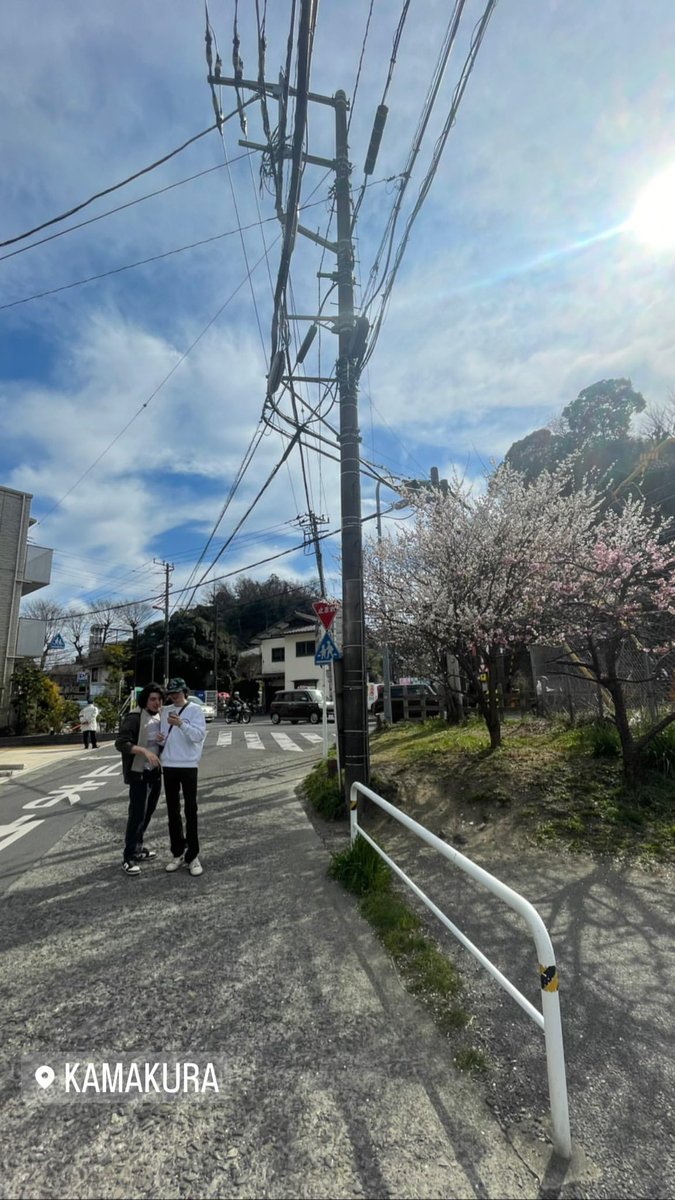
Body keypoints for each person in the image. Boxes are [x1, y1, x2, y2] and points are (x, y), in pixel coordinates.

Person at [115, 683, 164, 876]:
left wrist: (162, 740)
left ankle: (138, 848)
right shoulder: (134, 717)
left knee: (148, 812)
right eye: (153, 699)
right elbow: (121, 743)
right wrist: (142, 750)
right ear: (145, 700)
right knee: (136, 814)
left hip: (155, 772)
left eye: (159, 699)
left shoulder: (160, 717)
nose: (156, 703)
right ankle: (128, 857)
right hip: (139, 772)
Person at [159, 678, 207, 877]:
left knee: (190, 809)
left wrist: (181, 725)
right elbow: (162, 734)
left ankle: (193, 855)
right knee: (172, 811)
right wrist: (160, 738)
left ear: (185, 692)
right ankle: (177, 852)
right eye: (171, 693)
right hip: (169, 764)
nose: (174, 696)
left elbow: (198, 736)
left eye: (177, 692)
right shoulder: (164, 711)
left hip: (188, 765)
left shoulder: (195, 710)